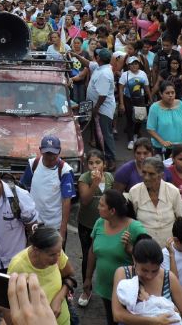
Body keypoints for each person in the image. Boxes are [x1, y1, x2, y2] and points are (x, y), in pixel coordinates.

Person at [82, 189, 146, 325]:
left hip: (128, 292)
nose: (98, 207)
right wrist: (88, 278)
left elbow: (148, 256)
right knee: (111, 320)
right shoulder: (99, 223)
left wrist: (130, 249)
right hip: (105, 288)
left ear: (112, 211)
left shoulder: (135, 227)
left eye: (101, 205)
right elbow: (92, 251)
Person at [112, 235, 182, 325]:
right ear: (134, 259)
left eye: (155, 271)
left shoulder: (169, 278)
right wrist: (155, 321)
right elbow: (117, 315)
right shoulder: (123, 273)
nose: (149, 276)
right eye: (144, 270)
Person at [8, 227, 75, 325]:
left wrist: (59, 299)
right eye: (51, 255)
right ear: (36, 250)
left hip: (63, 320)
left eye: (59, 252)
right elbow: (11, 304)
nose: (57, 259)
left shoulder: (57, 253)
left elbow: (71, 276)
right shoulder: (17, 265)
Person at [20, 135, 76, 242]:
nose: (50, 157)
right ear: (41, 151)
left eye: (53, 154)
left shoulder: (65, 171)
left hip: (54, 226)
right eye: (47, 153)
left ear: (59, 151)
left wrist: (62, 231)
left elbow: (66, 201)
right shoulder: (33, 164)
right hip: (34, 223)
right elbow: (23, 190)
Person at [76, 149, 113, 307]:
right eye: (91, 163)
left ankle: (109, 287)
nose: (94, 166)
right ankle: (87, 289)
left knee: (107, 255)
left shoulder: (110, 177)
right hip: (87, 224)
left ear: (104, 164)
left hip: (106, 224)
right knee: (88, 256)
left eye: (98, 162)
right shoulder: (84, 179)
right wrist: (95, 183)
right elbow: (84, 200)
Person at [126, 156, 182, 247]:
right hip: (144, 247)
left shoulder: (172, 191)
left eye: (151, 174)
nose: (146, 177)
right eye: (144, 173)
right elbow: (130, 222)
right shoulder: (134, 192)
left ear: (161, 175)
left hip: (170, 246)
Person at [78, 48, 117, 167]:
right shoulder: (100, 67)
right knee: (98, 133)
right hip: (96, 107)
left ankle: (111, 160)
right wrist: (75, 55)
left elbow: (103, 95)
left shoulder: (104, 74)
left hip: (103, 109)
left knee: (105, 134)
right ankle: (102, 158)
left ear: (99, 58)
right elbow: (88, 63)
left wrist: (96, 109)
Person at [146, 81, 182, 157]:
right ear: (161, 94)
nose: (171, 95)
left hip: (179, 147)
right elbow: (150, 129)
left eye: (172, 92)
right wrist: (162, 141)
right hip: (161, 148)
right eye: (167, 93)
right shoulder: (154, 108)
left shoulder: (180, 104)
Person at [117, 56, 151, 149]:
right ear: (128, 66)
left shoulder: (143, 74)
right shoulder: (125, 75)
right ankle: (131, 140)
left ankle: (136, 133)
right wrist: (121, 103)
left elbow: (146, 87)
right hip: (128, 99)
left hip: (140, 99)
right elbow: (121, 89)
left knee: (140, 118)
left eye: (136, 63)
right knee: (129, 119)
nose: (134, 66)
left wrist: (150, 98)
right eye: (132, 64)